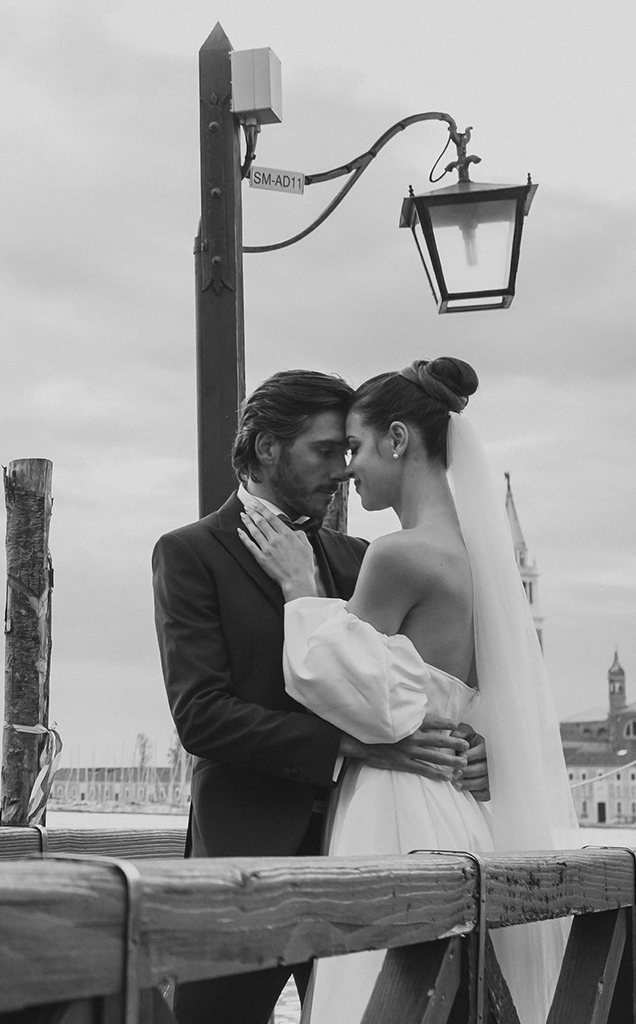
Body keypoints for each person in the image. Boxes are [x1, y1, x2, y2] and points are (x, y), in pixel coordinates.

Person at [239, 357, 579, 1024]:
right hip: (457, 810)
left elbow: (358, 691)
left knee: (375, 991)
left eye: (358, 447)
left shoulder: (399, 555)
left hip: (395, 809)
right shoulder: (480, 563)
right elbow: (480, 698)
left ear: (398, 439)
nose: (348, 468)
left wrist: (302, 593)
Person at [152, 369, 489, 1024]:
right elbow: (201, 717)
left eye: (348, 451)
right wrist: (349, 747)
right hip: (245, 862)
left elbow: (415, 680)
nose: (341, 469)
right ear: (267, 447)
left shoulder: (363, 556)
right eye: (325, 450)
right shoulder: (189, 553)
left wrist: (475, 750)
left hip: (370, 851)